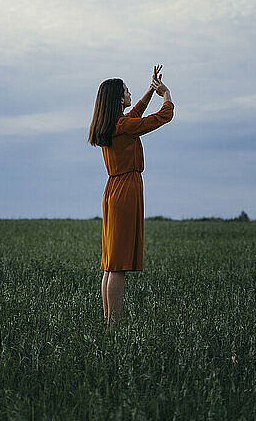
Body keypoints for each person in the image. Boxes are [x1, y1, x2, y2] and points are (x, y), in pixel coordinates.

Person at [88, 65, 175, 329]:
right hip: (126, 190)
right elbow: (162, 118)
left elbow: (136, 113)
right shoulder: (124, 125)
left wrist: (151, 89)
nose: (129, 93)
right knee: (119, 264)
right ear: (117, 99)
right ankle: (113, 327)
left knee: (111, 263)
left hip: (114, 189)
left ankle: (108, 324)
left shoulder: (114, 124)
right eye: (126, 91)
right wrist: (166, 95)